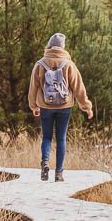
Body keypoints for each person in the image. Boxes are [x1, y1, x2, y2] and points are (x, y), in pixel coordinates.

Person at [27, 33, 93, 181]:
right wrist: (86, 106)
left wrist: (34, 106)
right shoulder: (69, 64)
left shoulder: (40, 64)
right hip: (65, 106)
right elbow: (78, 88)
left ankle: (44, 163)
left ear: (49, 46)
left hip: (45, 106)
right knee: (61, 138)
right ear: (63, 47)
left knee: (47, 137)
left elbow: (33, 88)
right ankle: (59, 173)